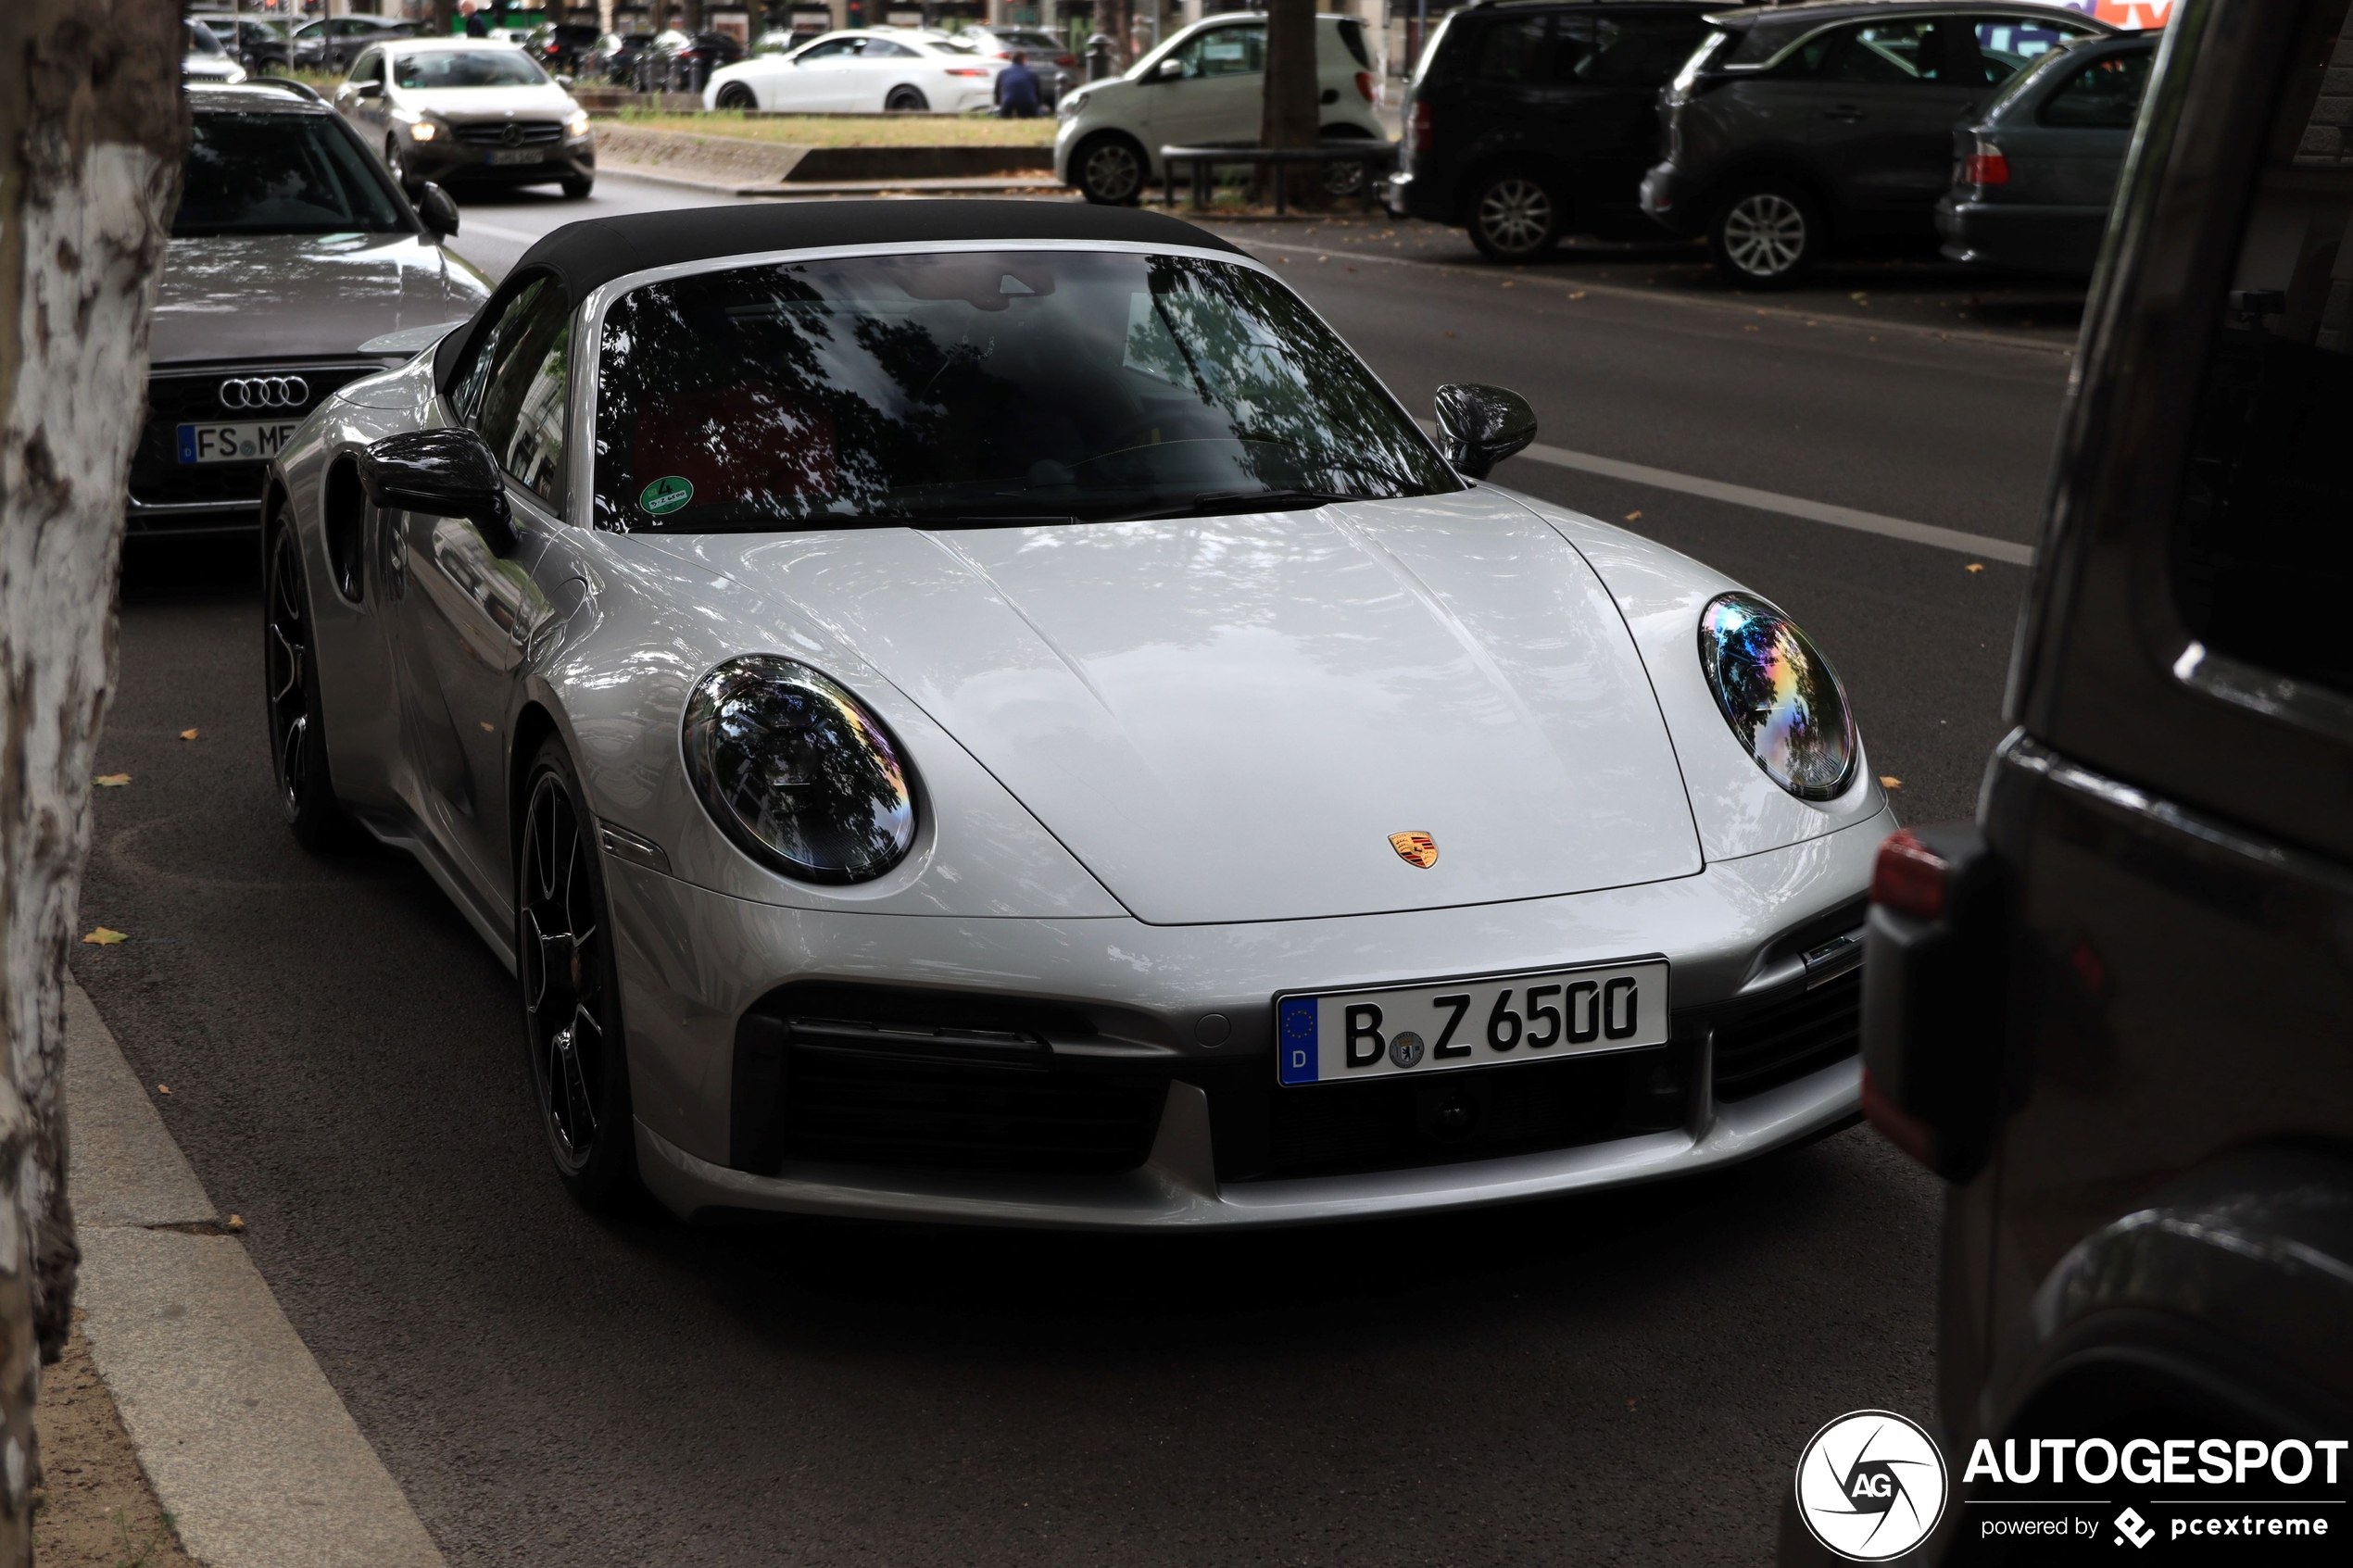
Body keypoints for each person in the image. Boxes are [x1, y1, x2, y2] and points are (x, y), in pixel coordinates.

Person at [995, 50, 1040, 119]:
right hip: (1028, 103)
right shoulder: (1032, 73)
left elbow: (997, 91)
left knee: (1004, 116)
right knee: (1029, 115)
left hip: (1008, 102)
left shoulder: (1003, 73)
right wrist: (1039, 105)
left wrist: (999, 104)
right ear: (1024, 60)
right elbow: (1038, 92)